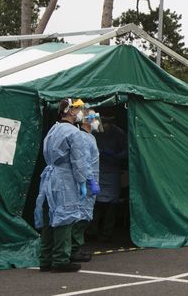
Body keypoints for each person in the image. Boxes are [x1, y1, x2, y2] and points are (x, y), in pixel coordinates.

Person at [34, 98, 90, 273]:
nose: (81, 112)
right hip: (65, 179)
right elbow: (79, 161)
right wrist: (82, 182)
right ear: (70, 111)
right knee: (65, 218)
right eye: (78, 109)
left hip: (50, 179)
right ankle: (60, 260)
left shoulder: (53, 130)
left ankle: (45, 259)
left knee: (50, 218)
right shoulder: (73, 133)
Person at [87, 113, 127, 242]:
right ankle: (92, 231)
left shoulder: (119, 134)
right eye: (103, 123)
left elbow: (127, 151)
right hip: (98, 171)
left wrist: (116, 155)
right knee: (95, 202)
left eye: (107, 123)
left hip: (113, 172)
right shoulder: (95, 132)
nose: (105, 126)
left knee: (112, 205)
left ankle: (107, 233)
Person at [69, 109, 101, 262]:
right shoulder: (83, 137)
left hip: (89, 183)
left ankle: (75, 248)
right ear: (86, 119)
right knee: (80, 217)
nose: (97, 121)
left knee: (84, 216)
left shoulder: (89, 137)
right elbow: (84, 162)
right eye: (94, 117)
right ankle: (74, 249)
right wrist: (90, 181)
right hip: (86, 184)